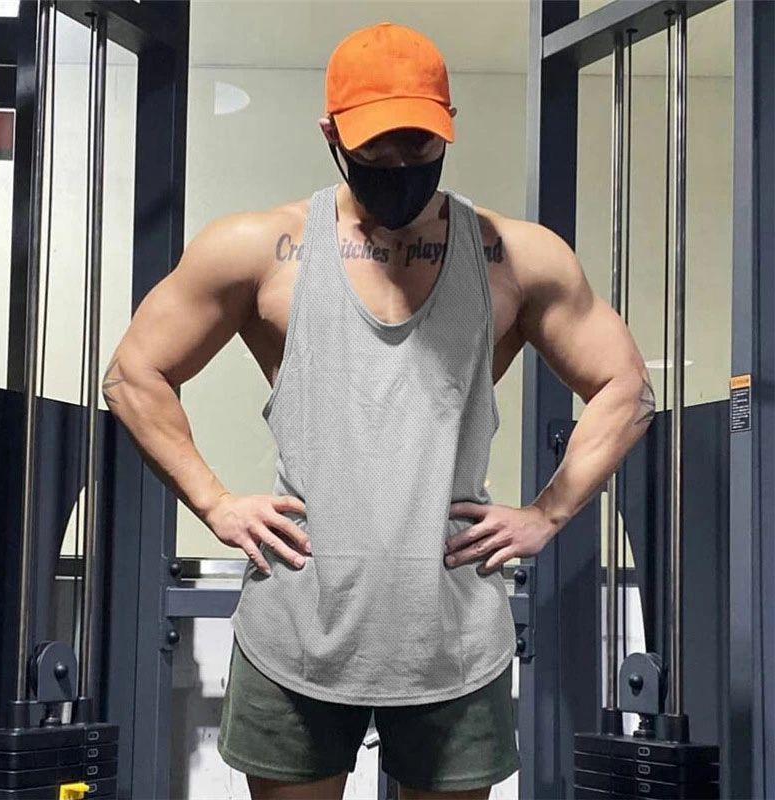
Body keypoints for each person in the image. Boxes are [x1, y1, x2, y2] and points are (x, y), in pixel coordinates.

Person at [102, 20, 654, 800]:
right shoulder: (259, 249)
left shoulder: (516, 257)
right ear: (331, 135)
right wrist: (215, 501)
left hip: (453, 634)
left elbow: (626, 387)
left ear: (448, 128)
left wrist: (547, 513)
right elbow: (134, 375)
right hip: (296, 628)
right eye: (376, 150)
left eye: (418, 146)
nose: (398, 166)